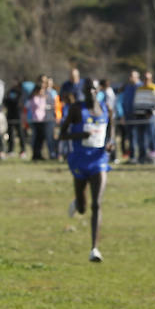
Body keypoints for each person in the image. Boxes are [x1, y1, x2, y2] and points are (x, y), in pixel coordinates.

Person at [61, 79, 113, 262]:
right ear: (83, 91)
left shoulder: (105, 108)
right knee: (83, 208)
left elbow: (111, 130)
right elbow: (61, 134)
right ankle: (78, 202)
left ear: (98, 90)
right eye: (87, 89)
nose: (91, 91)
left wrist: (110, 143)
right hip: (80, 161)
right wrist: (79, 135)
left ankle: (94, 249)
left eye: (94, 88)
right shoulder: (76, 109)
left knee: (97, 204)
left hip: (99, 161)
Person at [133, 71, 155, 162]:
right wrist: (136, 111)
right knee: (140, 137)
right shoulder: (140, 88)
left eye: (148, 79)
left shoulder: (154, 88)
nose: (146, 80)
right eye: (145, 78)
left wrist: (150, 111)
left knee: (151, 136)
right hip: (139, 116)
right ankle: (142, 156)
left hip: (149, 116)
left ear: (151, 79)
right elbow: (136, 102)